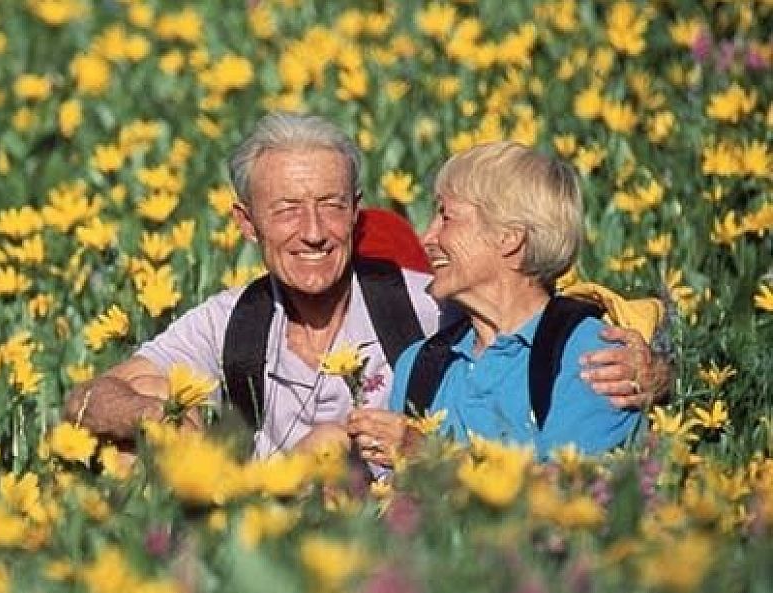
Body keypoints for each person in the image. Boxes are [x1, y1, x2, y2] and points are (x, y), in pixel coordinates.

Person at [65, 114, 663, 459]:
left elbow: (543, 306)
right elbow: (86, 399)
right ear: (246, 223)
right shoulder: (229, 322)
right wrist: (158, 418)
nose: (314, 232)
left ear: (356, 213)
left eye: (330, 206)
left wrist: (657, 370)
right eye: (287, 210)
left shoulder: (427, 307)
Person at [348, 141, 647, 467]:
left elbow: (571, 495)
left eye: (447, 218)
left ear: (509, 237)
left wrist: (434, 460)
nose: (427, 239)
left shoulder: (591, 355)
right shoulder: (420, 366)